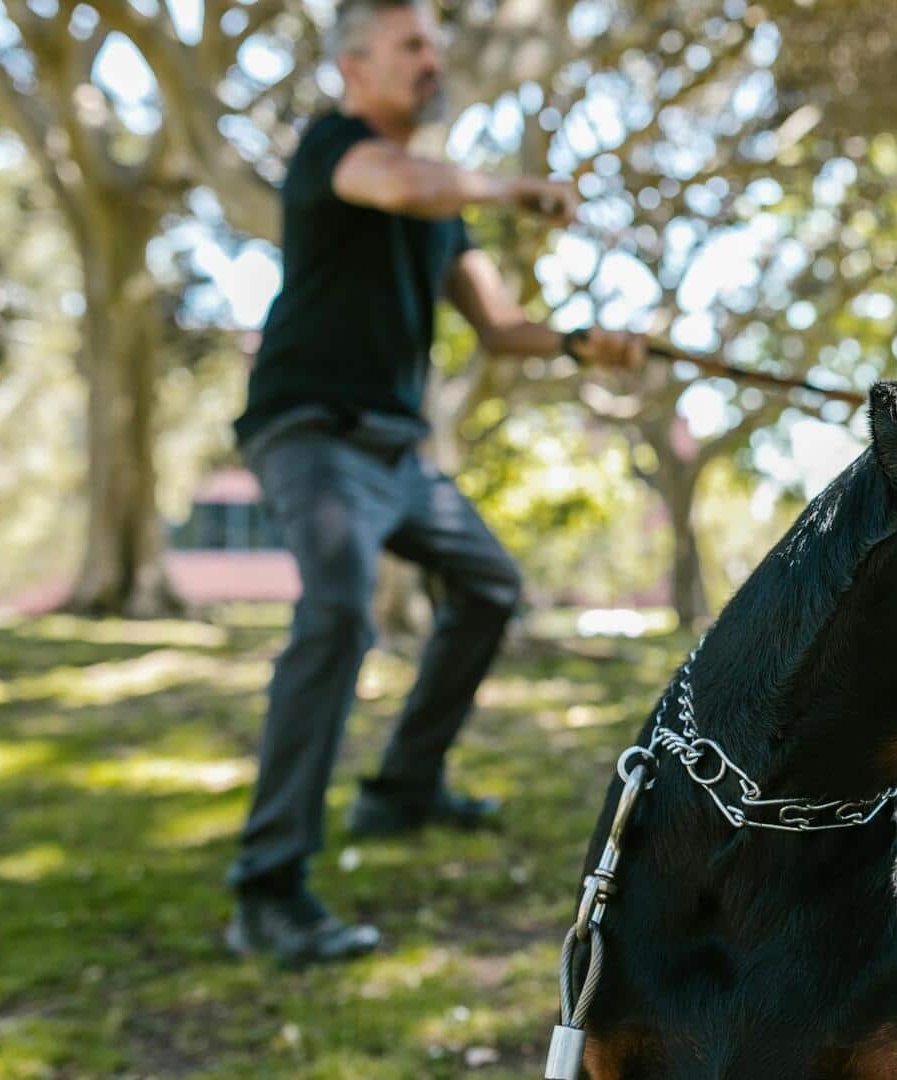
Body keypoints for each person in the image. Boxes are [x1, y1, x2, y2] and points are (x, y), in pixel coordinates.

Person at [225, 0, 647, 966]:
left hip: (397, 457)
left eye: (435, 47)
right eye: (413, 45)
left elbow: (499, 325)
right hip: (312, 433)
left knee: (491, 585)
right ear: (355, 66)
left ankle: (403, 788)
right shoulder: (337, 147)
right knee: (338, 615)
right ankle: (268, 887)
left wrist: (586, 342)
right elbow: (406, 188)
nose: (432, 59)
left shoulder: (443, 202)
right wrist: (510, 188)